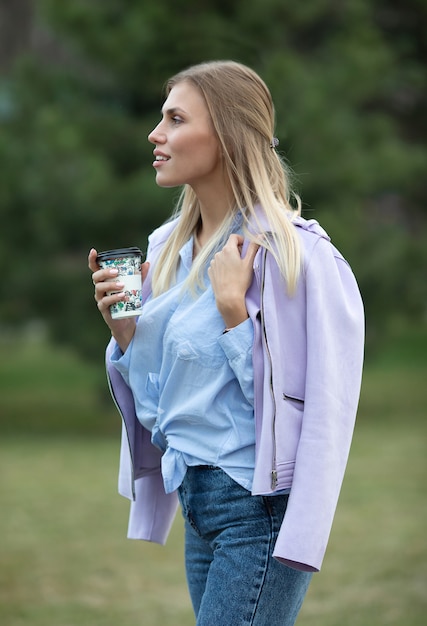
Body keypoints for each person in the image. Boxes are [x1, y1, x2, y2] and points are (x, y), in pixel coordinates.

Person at [88, 60, 364, 626]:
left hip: (257, 512)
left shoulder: (298, 258)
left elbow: (313, 418)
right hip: (198, 502)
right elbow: (160, 407)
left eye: (175, 119)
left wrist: (235, 314)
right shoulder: (166, 248)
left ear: (227, 137)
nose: (154, 134)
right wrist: (126, 335)